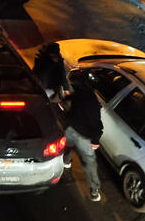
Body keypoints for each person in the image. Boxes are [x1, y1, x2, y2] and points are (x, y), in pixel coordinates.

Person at [64, 73, 104, 202]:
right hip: (81, 134)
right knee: (89, 163)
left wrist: (96, 139)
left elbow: (96, 123)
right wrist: (95, 140)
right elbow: (97, 122)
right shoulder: (85, 94)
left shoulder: (86, 98)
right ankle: (94, 191)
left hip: (75, 131)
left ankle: (66, 161)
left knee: (68, 146)